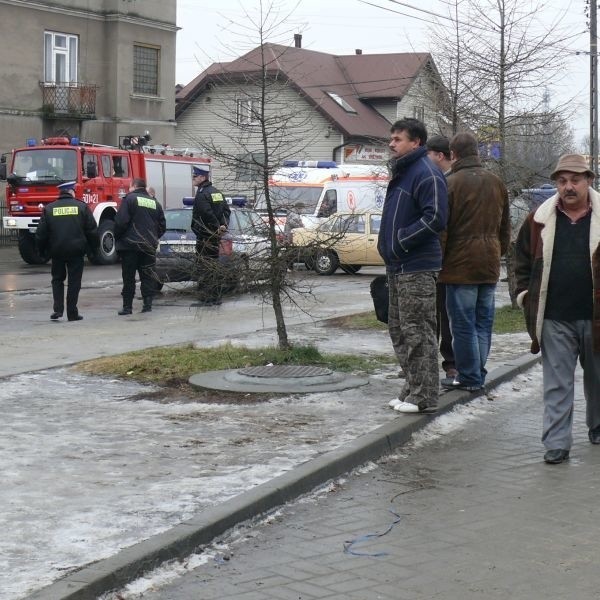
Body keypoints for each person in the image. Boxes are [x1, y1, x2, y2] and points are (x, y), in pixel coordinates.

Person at [515, 154, 600, 465]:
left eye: (575, 180)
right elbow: (519, 261)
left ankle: (598, 424)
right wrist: (524, 294)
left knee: (597, 378)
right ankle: (556, 443)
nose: (569, 187)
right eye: (562, 181)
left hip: (596, 317)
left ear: (589, 180)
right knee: (557, 383)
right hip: (553, 317)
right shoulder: (538, 219)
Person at [377, 117, 448, 414]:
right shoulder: (404, 172)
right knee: (400, 330)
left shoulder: (426, 172)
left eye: (398, 139)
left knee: (418, 331)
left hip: (416, 265)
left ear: (416, 142)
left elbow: (436, 218)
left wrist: (401, 240)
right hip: (398, 265)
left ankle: (425, 396)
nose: (392, 144)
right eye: (392, 138)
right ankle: (411, 388)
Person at [440, 132, 510, 392]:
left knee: (463, 325)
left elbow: (442, 230)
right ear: (477, 153)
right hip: (489, 263)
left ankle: (470, 377)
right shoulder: (496, 182)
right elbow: (505, 228)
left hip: (460, 266)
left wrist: (440, 262)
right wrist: (497, 252)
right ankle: (477, 371)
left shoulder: (450, 183)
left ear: (453, 154)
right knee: (483, 322)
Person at [35, 181, 99, 321]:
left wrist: (42, 252)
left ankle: (58, 310)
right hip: (77, 251)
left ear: (61, 192)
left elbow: (41, 234)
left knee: (57, 279)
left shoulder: (49, 208)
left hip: (57, 251)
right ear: (72, 192)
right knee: (74, 281)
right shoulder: (82, 207)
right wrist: (94, 250)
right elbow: (92, 231)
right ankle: (72, 312)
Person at [426, 135, 457, 384]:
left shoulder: (447, 183)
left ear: (439, 155)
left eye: (429, 155)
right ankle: (446, 364)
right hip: (444, 259)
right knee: (438, 314)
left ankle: (450, 364)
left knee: (443, 315)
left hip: (443, 260)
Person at [114, 177, 166, 315]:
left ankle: (127, 307)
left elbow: (120, 222)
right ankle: (147, 305)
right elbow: (162, 225)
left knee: (129, 277)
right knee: (148, 275)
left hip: (130, 246)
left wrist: (118, 238)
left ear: (133, 186)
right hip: (149, 246)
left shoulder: (129, 199)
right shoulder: (155, 203)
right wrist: (153, 237)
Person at [191, 164, 230, 306]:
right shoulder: (217, 192)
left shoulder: (202, 194)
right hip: (215, 235)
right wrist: (223, 225)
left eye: (195, 177)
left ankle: (206, 298)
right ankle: (216, 296)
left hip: (205, 235)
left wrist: (216, 226)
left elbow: (206, 213)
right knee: (214, 265)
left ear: (202, 177)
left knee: (204, 266)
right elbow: (226, 211)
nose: (193, 179)